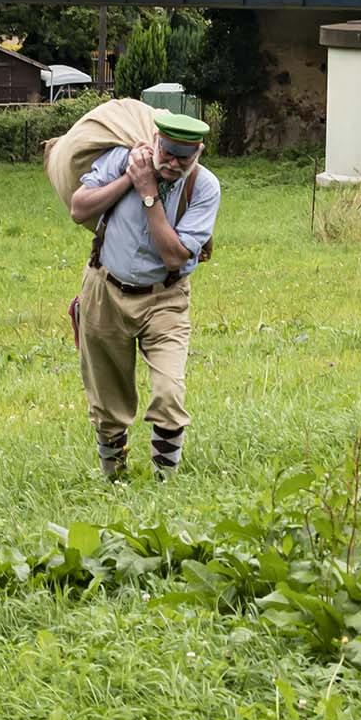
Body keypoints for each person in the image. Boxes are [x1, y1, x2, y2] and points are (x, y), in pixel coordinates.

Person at [67, 109, 220, 481]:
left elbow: (173, 255)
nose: (171, 163)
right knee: (107, 398)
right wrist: (129, 180)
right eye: (166, 153)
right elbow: (78, 208)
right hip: (105, 289)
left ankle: (164, 483)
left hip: (165, 298)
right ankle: (113, 478)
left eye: (183, 157)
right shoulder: (122, 159)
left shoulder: (204, 187)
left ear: (197, 153)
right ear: (154, 142)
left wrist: (149, 195)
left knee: (169, 391)